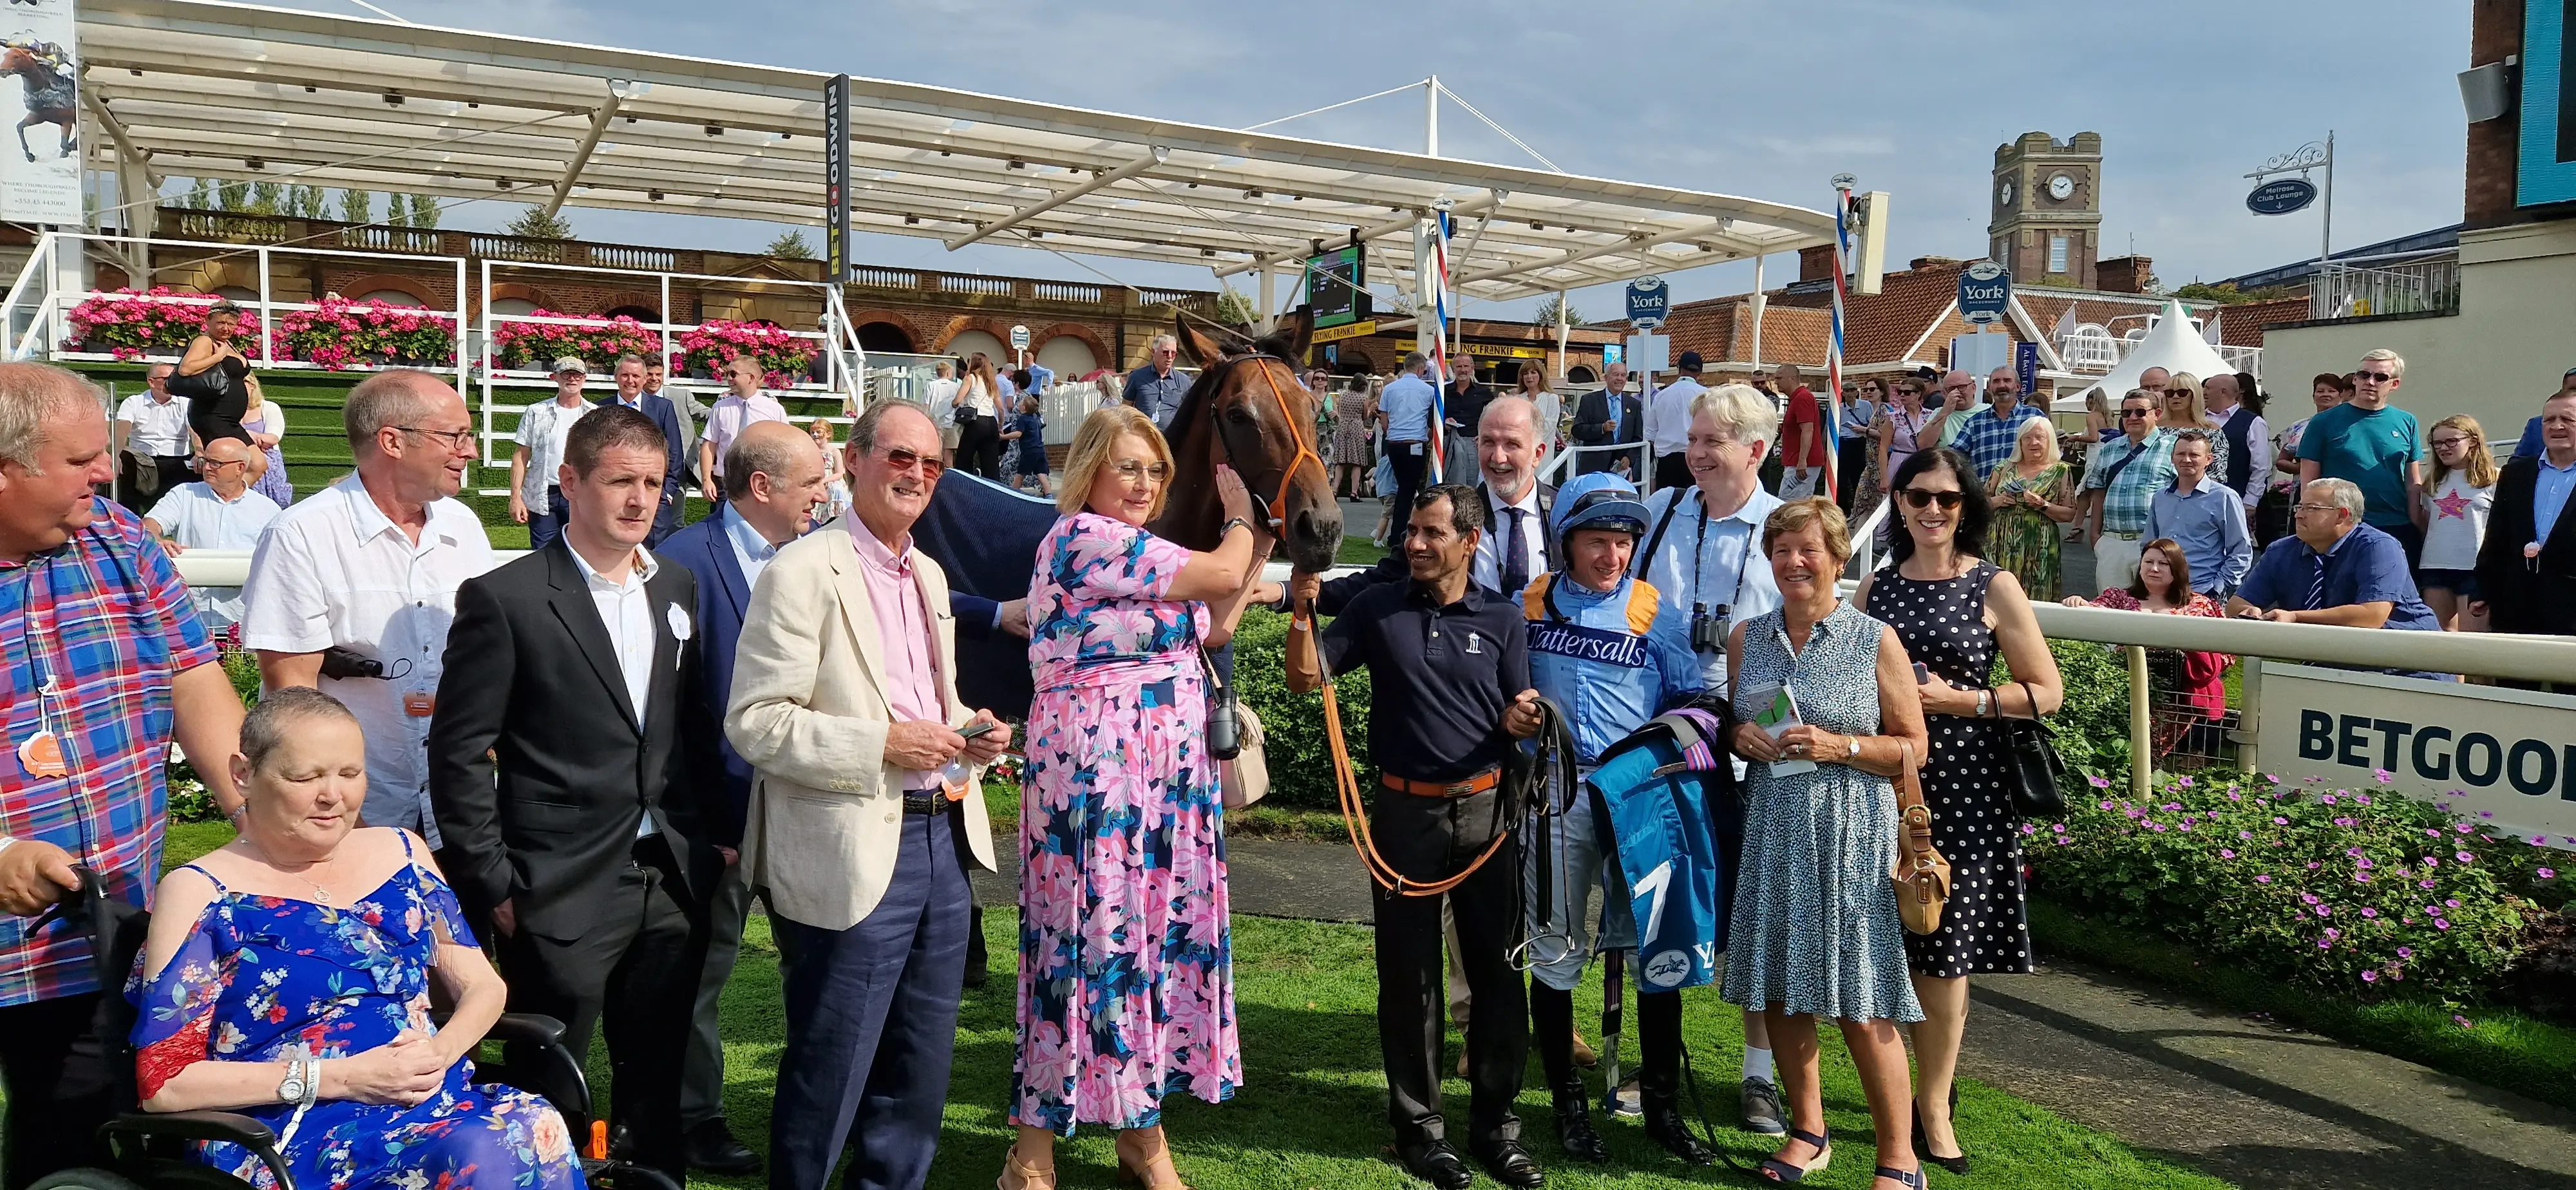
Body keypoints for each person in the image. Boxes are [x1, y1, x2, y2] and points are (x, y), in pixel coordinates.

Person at [129, 689, 585, 1190]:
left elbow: (483, 985)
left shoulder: (401, 853)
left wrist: (441, 1051)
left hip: (430, 1100)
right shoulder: (200, 892)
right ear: (243, 774)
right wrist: (345, 1077)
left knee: (527, 1121)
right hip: (286, 1129)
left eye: (350, 774)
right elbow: (165, 1083)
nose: (334, 795)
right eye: (306, 777)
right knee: (482, 1146)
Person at [723, 401, 1010, 1190]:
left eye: (930, 463)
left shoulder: (929, 573)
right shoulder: (801, 569)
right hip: (848, 849)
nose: (916, 474)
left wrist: (971, 732)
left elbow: (932, 700)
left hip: (943, 837)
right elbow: (754, 722)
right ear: (853, 461)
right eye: (898, 457)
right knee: (834, 1055)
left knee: (920, 1059)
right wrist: (881, 745)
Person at [428, 406, 710, 1183]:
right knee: (550, 1081)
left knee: (657, 1072)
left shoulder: (676, 587)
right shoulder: (507, 597)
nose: (640, 499)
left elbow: (684, 729)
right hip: (555, 883)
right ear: (569, 482)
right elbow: (457, 755)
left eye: (654, 483)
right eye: (620, 480)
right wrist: (494, 883)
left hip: (671, 876)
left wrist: (708, 836)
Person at [1003, 403, 1271, 1190]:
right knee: (1080, 952)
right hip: (1100, 783)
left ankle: (1138, 1132)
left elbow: (1214, 622)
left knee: (1144, 951)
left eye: (1156, 470)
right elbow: (1222, 572)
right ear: (1089, 468)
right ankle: (1033, 1155)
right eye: (1128, 466)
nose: (1145, 483)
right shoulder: (1085, 536)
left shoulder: (1142, 553)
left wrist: (1259, 551)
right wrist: (1243, 516)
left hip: (1162, 791)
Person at [0, 364, 249, 1187]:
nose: (105, 472)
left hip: (93, 936)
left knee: (77, 1149)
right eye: (78, 461)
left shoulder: (122, 541)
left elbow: (192, 680)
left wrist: (265, 819)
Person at [1287, 483, 1547, 1190]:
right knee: (1409, 980)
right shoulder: (1378, 607)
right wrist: (1301, 605)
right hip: (1404, 816)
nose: (1416, 544)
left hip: (1488, 813)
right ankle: (1420, 1132)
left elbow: (1515, 707)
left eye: (1433, 533)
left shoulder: (1500, 617)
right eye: (1412, 532)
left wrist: (1525, 718)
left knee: (1496, 976)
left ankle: (1497, 1129)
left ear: (1470, 541)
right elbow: (1306, 678)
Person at [1855, 448, 2062, 1178]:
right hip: (1882, 782)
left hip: (1966, 788)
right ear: (1900, 502)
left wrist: (1961, 700)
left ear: (1965, 504)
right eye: (1918, 496)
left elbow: (2044, 690)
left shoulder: (1991, 583)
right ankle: (1893, 1089)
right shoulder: (1875, 587)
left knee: (1943, 953)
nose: (1932, 510)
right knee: (1885, 945)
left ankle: (1934, 1105)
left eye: (1946, 498)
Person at [1722, 498, 1931, 1190]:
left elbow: (1913, 748)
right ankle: (1808, 1133)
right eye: (1781, 550)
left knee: (1862, 998)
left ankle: (1899, 1159)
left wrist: (1841, 744)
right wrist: (1741, 737)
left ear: (1839, 558)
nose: (1793, 562)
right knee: (1779, 989)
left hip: (1851, 836)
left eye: (1807, 549)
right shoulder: (1747, 637)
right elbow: (1742, 721)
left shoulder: (1873, 638)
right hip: (1775, 827)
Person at [1515, 473, 1716, 1169]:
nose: (1612, 556)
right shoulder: (1529, 605)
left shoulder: (1654, 610)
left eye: (1624, 541)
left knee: (1655, 947)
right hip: (1557, 794)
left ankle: (1660, 1105)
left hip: (1637, 796)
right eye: (1598, 540)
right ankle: (1566, 1102)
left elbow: (1695, 700)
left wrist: (1677, 741)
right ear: (1566, 540)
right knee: (1555, 945)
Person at [661, 420, 827, 1177]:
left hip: (811, 813)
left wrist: (993, 614)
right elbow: (664, 712)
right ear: (761, 487)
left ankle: (821, 1110)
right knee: (700, 980)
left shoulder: (825, 559)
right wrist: (700, 824)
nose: (824, 498)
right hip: (720, 818)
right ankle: (693, 1118)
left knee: (821, 971)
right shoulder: (679, 563)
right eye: (812, 484)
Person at [1623, 382, 1785, 1128]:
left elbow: (1811, 647)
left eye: (1711, 440)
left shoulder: (1785, 529)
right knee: (1650, 897)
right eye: (1691, 438)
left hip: (1748, 744)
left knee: (1751, 912)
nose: (1695, 453)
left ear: (1756, 449)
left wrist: (1767, 728)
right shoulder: (1659, 513)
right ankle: (1651, 1065)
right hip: (1659, 737)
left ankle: (1759, 1074)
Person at [240, 370, 492, 844]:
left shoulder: (464, 527)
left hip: (458, 810)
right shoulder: (302, 535)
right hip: (353, 815)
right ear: (393, 441)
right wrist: (350, 835)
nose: (471, 450)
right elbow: (290, 693)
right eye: (455, 435)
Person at [2230, 479, 2445, 659]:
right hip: (2335, 664)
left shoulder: (2378, 547)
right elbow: (2235, 606)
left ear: (2342, 515)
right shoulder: (2281, 551)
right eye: (2299, 507)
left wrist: (2295, 618)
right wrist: (2250, 612)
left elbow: (2371, 617)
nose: (2299, 515)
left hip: (2406, 664)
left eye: (2311, 509)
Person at [2064, 540, 2231, 759]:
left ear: (2178, 569)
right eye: (2149, 562)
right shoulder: (2120, 597)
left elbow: (2227, 653)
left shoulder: (2201, 605)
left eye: (2163, 563)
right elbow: (2095, 610)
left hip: (2179, 693)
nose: (2154, 568)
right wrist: (2079, 602)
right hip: (2126, 686)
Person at [2298, 349, 2425, 566]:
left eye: (2380, 377)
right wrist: (2311, 522)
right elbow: (2309, 482)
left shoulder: (2407, 421)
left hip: (2395, 525)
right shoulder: (2324, 422)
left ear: (2394, 384)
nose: (2370, 382)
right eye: (2364, 375)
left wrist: (2418, 525)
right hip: (2341, 525)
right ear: (2355, 379)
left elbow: (2413, 481)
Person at [142, 438, 283, 630]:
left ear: (240, 467)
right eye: (205, 461)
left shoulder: (268, 510)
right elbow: (150, 525)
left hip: (240, 620)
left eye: (215, 463)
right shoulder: (184, 494)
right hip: (191, 616)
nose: (207, 468)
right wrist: (157, 540)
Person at [2472, 390, 2576, 639]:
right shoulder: (2516, 473)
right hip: (2517, 604)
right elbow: (2496, 536)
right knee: (2515, 677)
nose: (2557, 426)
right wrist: (2482, 590)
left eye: (2568, 419)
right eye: (2549, 420)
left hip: (2571, 609)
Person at [2081, 390, 2178, 590]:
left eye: (2140, 412)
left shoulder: (2173, 448)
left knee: (2152, 611)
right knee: (2110, 612)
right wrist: (2096, 536)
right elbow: (2098, 491)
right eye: (2126, 413)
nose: (2133, 418)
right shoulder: (2110, 448)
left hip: (2153, 544)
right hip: (2111, 542)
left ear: (2157, 414)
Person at [2141, 430, 2253, 599]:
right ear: (2172, 458)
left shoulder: (2224, 497)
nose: (2186, 460)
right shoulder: (2160, 498)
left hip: (2203, 591)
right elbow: (2149, 545)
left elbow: (2241, 550)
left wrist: (2218, 587)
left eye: (2194, 455)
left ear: (2209, 459)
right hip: (2162, 592)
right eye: (2181, 454)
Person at [2416, 414, 2497, 632]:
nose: (2443, 448)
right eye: (2437, 443)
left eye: (2451, 441)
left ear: (2472, 440)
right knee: (2438, 638)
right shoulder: (2432, 482)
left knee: (2473, 640)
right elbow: (2425, 523)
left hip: (2474, 568)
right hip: (2435, 565)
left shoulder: (2495, 480)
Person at [602, 354, 690, 546]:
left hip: (654, 494)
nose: (630, 381)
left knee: (655, 550)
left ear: (644, 379)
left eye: (636, 376)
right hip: (615, 493)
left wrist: (667, 491)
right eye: (625, 375)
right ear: (616, 377)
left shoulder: (663, 408)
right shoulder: (601, 408)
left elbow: (674, 451)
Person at [1984, 418, 2076, 603]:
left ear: (2049, 441)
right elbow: (1978, 504)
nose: (2033, 443)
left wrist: (2043, 505)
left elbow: (2069, 514)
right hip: (2000, 542)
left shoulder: (2061, 470)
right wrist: (1997, 501)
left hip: (2039, 547)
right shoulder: (2003, 467)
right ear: (2020, 441)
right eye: (2027, 438)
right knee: (1996, 594)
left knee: (2037, 598)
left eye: (2039, 437)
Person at [511, 357, 595, 552]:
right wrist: (516, 497)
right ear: (555, 377)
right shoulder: (535, 412)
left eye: (577, 375)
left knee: (582, 551)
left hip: (580, 494)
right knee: (543, 554)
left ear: (584, 379)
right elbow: (520, 456)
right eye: (566, 374)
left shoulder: (594, 415)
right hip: (543, 495)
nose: (572, 379)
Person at [2260, 373, 2353, 546]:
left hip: (2337, 495)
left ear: (2341, 395)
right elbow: (2281, 461)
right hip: (2303, 491)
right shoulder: (2300, 426)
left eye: (2331, 391)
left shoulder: (2349, 425)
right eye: (2320, 391)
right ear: (2313, 396)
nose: (2325, 395)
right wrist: (2305, 467)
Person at [701, 355, 790, 500]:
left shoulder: (774, 409)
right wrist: (706, 479)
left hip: (762, 484)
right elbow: (709, 445)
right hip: (726, 483)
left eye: (733, 374)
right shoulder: (720, 407)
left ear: (751, 378)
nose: (729, 379)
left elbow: (786, 446)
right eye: (727, 374)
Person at [113, 362, 191, 514]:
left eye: (175, 378)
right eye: (167, 379)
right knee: (123, 461)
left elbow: (194, 430)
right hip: (141, 460)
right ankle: (129, 517)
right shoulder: (134, 402)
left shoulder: (186, 403)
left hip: (176, 458)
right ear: (151, 382)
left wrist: (200, 452)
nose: (173, 383)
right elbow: (122, 429)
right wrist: (115, 455)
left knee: (199, 463)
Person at [176, 300, 256, 448]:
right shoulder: (205, 341)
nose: (226, 328)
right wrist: (217, 358)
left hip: (230, 420)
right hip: (213, 416)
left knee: (252, 464)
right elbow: (185, 369)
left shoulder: (229, 344)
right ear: (208, 320)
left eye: (231, 324)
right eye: (220, 323)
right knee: (254, 464)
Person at [1860, 376, 1933, 534]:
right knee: (1894, 501)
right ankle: (1892, 537)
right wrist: (1884, 477)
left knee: (1921, 499)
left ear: (1918, 395)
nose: (1902, 396)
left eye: (1907, 392)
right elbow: (1883, 448)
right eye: (1900, 392)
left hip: (1922, 462)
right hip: (1899, 460)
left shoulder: (1930, 416)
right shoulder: (1894, 418)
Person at [1379, 352, 1439, 545]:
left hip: (1395, 443)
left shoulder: (1389, 389)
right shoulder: (1429, 391)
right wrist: (1427, 437)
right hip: (1416, 443)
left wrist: (1392, 434)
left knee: (1403, 488)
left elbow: (1384, 420)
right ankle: (1400, 534)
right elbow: (1433, 421)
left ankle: (1397, 533)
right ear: (1421, 369)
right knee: (1409, 489)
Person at [2204, 372, 2269, 519]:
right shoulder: (2199, 419)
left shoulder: (2253, 422)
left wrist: (2251, 500)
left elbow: (2260, 465)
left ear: (2223, 392)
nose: (2204, 392)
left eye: (2208, 388)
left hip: (2235, 498)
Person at [1644, 351, 1708, 490]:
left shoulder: (1661, 395)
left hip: (1667, 461)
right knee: (1695, 505)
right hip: (1696, 459)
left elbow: (1650, 433)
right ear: (1700, 373)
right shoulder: (1706, 396)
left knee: (1666, 506)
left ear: (1679, 369)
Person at [1572, 361, 1644, 477]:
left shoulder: (1633, 404)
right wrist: (1602, 428)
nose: (1620, 379)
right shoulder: (1589, 400)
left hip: (1620, 469)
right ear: (1606, 378)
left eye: (1623, 375)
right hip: (1594, 466)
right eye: (1616, 375)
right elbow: (1577, 430)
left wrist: (1629, 457)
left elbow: (1638, 437)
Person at [1776, 364, 1829, 499]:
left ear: (1792, 378)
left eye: (1779, 378)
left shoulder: (1802, 398)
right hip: (1801, 462)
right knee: (1800, 505)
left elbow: (1807, 430)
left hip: (1802, 463)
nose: (1776, 382)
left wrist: (1802, 461)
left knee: (1788, 504)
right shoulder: (1798, 398)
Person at [240, 372, 293, 506]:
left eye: (242, 383)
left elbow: (272, 438)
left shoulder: (269, 408)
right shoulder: (228, 410)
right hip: (240, 464)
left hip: (268, 465)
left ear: (252, 385)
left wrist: (243, 435)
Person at [954, 353, 1007, 480]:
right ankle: (992, 492)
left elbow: (957, 401)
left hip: (975, 422)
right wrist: (1000, 426)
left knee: (964, 458)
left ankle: (965, 487)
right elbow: (1001, 409)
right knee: (991, 463)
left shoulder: (971, 378)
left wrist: (957, 404)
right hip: (991, 422)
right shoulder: (991, 381)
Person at [1443, 356, 1496, 483]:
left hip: (1474, 444)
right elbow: (1431, 417)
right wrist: (1444, 422)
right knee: (1450, 485)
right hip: (1449, 443)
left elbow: (1495, 417)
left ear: (1472, 368)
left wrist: (1485, 435)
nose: (1463, 370)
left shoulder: (1484, 392)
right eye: (1459, 367)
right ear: (1453, 369)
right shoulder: (1443, 391)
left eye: (1466, 366)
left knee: (1472, 485)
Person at [1122, 334, 1191, 428]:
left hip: (1172, 439)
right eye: (1165, 352)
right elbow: (1125, 408)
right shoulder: (1137, 377)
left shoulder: (1184, 381)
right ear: (1153, 352)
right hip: (1144, 436)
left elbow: (1190, 413)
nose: (1170, 357)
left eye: (1174, 353)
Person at [1912, 369, 1989, 453]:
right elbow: (1923, 445)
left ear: (1974, 388)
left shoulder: (1988, 411)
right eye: (1951, 389)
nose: (1957, 392)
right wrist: (1945, 412)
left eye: (1962, 387)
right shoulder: (1939, 413)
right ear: (1944, 394)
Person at [2509, 368, 2576, 460]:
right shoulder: (2537, 426)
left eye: (2568, 420)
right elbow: (2516, 464)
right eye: (2573, 390)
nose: (2557, 427)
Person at [1837, 377, 1880, 511]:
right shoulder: (1839, 408)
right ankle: (1843, 509)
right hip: (1843, 443)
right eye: (1846, 391)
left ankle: (1860, 507)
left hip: (1859, 442)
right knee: (1841, 480)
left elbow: (1872, 423)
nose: (1849, 394)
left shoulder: (1865, 405)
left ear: (1856, 392)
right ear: (1843, 393)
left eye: (1852, 391)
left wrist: (1861, 429)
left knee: (1859, 477)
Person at [809, 417, 854, 524]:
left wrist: (825, 480)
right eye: (812, 432)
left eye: (819, 432)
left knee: (835, 489)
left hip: (831, 479)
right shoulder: (811, 450)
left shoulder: (834, 451)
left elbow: (839, 473)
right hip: (816, 477)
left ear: (828, 434)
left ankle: (836, 516)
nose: (815, 435)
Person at [1007, 393, 1053, 495]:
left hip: (1029, 452)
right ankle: (1049, 496)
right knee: (1042, 475)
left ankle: (1012, 494)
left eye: (1021, 403)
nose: (1019, 404)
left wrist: (1003, 437)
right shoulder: (1035, 418)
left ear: (1024, 407)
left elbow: (1018, 433)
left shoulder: (1023, 419)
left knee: (1020, 475)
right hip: (1040, 450)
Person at [1517, 364, 1562, 457]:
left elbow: (1549, 425)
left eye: (1533, 373)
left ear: (1541, 375)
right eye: (1525, 374)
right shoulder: (1518, 399)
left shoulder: (1551, 398)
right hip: (1520, 450)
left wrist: (1528, 439)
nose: (1529, 377)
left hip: (1542, 452)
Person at [927, 359, 963, 466]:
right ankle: (948, 479)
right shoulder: (956, 386)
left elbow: (925, 406)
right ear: (948, 372)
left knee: (935, 455)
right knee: (948, 457)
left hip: (935, 425)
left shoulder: (931, 385)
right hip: (951, 424)